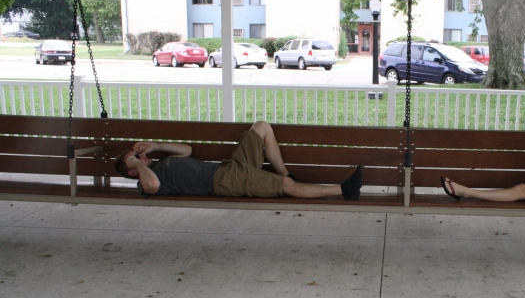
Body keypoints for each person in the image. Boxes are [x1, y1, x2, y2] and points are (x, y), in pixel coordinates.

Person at [114, 120, 363, 200]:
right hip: (224, 182)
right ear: (133, 172)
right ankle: (343, 189)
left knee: (262, 127)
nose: (139, 157)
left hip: (229, 168)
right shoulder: (147, 182)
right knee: (286, 189)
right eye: (134, 160)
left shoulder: (158, 164)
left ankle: (285, 174)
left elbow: (187, 150)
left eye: (137, 154)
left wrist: (155, 146)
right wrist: (136, 163)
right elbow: (152, 187)